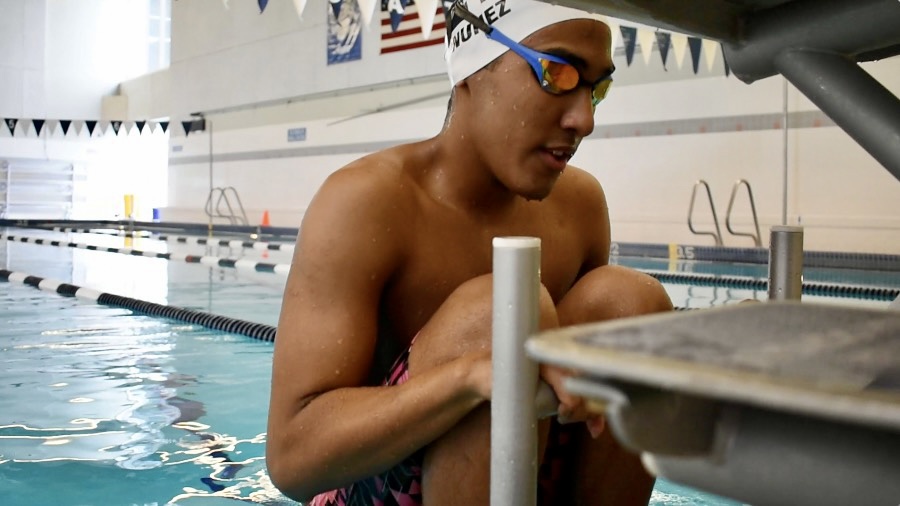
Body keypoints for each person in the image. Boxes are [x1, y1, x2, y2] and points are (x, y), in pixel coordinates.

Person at [266, 0, 673, 504]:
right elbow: (291, 462)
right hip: (364, 486)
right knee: (499, 313)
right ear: (470, 66)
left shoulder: (580, 206)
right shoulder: (365, 203)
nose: (584, 119)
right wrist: (465, 380)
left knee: (631, 305)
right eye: (558, 74)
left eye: (597, 87)